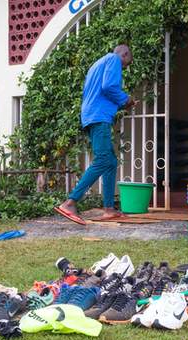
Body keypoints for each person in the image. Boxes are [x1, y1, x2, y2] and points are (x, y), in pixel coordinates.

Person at [54, 44, 136, 225]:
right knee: (103, 159)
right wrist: (126, 99)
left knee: (111, 161)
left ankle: (109, 209)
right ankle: (70, 202)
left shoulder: (97, 64)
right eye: (126, 65)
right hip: (99, 116)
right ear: (124, 54)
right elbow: (109, 86)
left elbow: (100, 89)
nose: (123, 69)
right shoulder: (113, 59)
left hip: (92, 115)